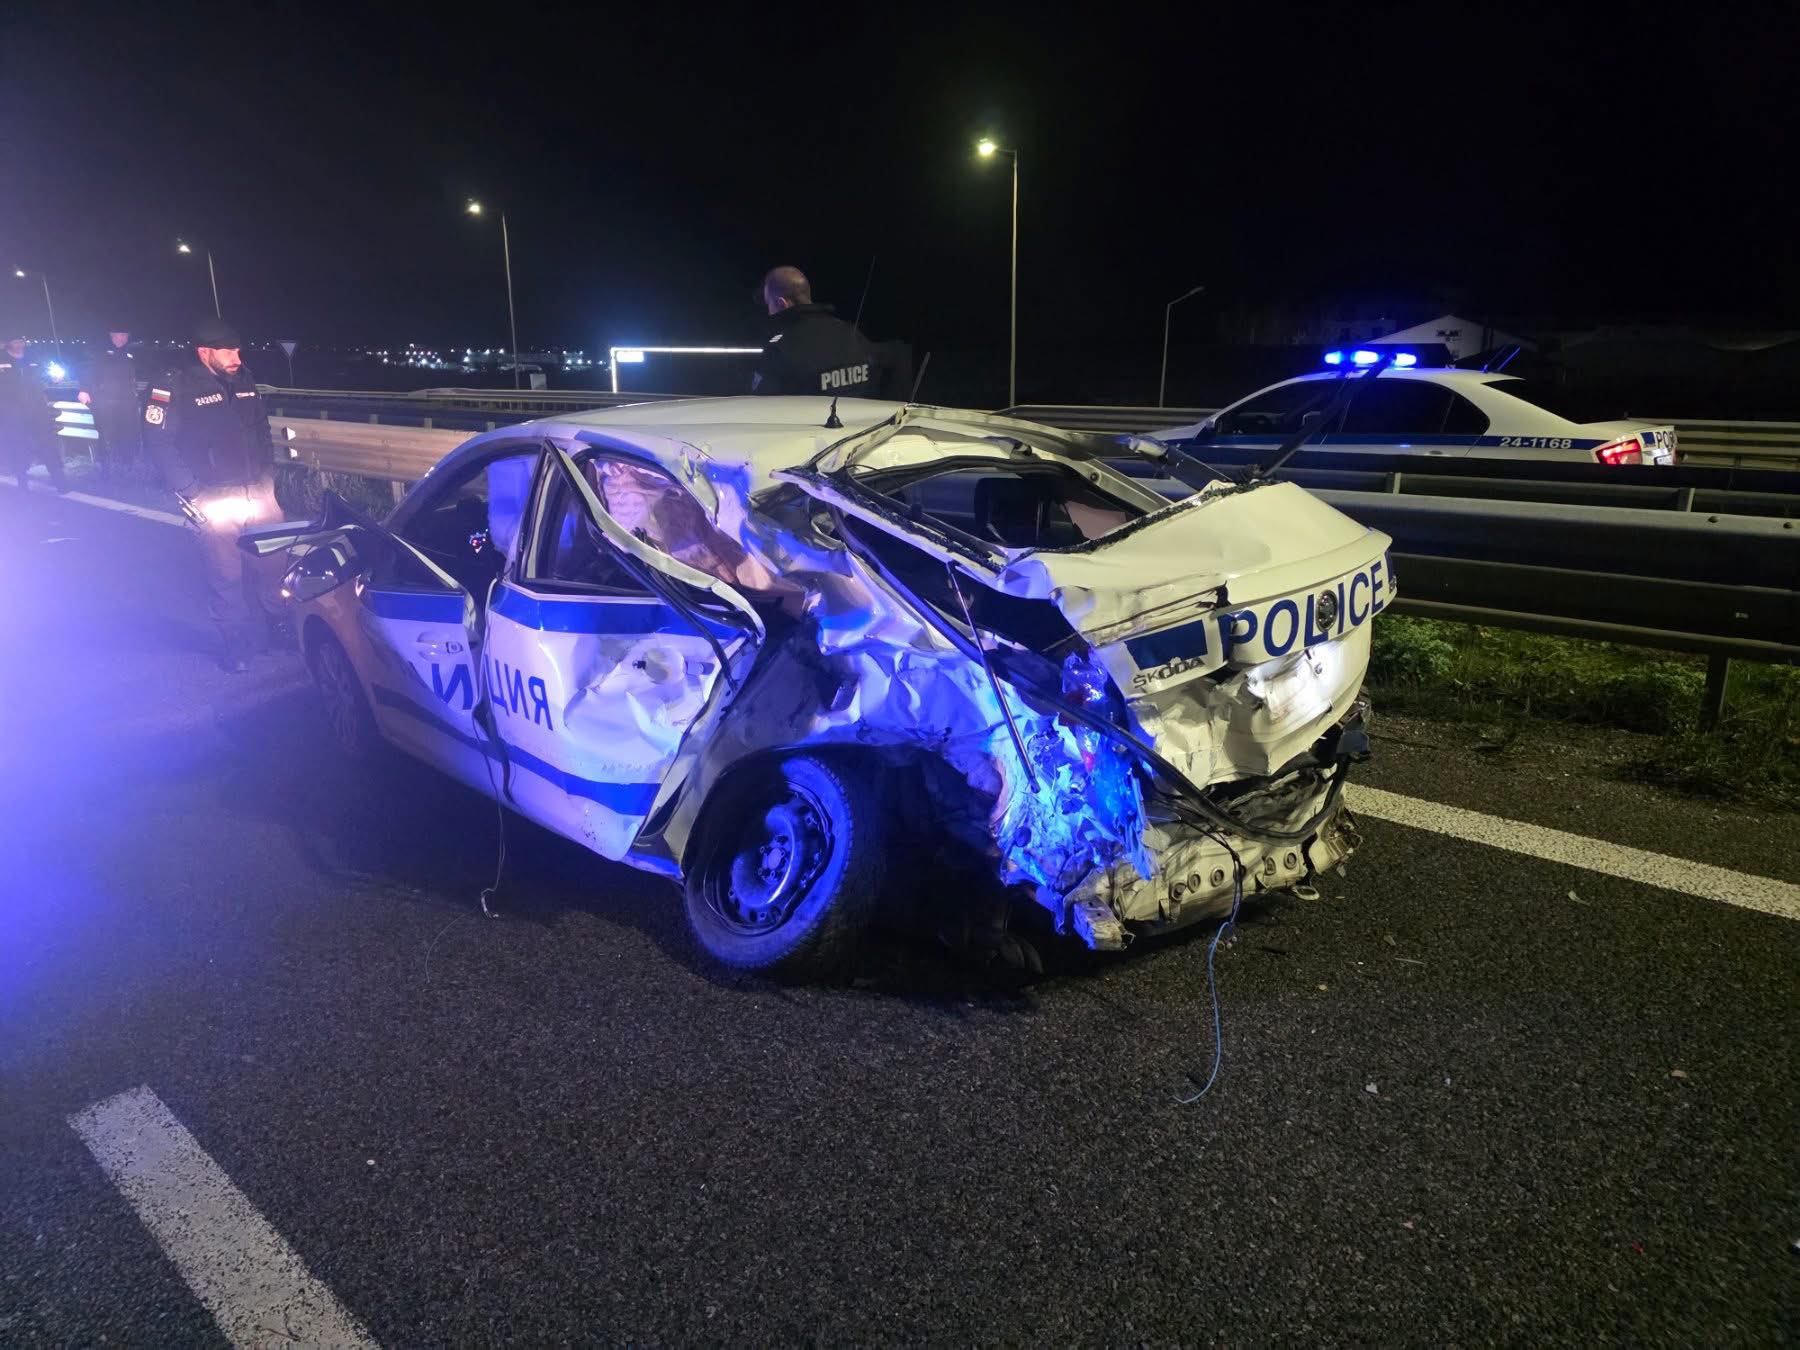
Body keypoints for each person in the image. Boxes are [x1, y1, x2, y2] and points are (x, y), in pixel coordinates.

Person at [144, 317, 281, 672]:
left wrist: (268, 476)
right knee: (226, 575)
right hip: (213, 496)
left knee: (272, 564)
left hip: (258, 491)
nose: (237, 357)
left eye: (238, 350)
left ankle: (277, 626)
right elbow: (158, 442)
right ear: (205, 352)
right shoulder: (174, 384)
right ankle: (236, 641)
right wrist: (191, 492)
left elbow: (262, 429)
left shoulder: (244, 379)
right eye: (228, 351)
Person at [750, 266, 887, 399]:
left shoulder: (779, 349)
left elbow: (763, 405)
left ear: (781, 304)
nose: (769, 312)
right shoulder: (853, 333)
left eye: (769, 304)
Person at [0, 334, 68, 493]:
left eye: (21, 340)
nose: (19, 344)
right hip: (13, 411)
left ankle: (60, 481)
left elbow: (46, 374)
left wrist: (55, 377)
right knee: (17, 445)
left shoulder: (34, 357)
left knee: (47, 444)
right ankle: (22, 482)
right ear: (8, 343)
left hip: (37, 409)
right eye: (15, 341)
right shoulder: (1, 358)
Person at [88, 327, 142, 467]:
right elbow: (89, 372)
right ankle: (107, 464)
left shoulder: (130, 354)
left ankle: (127, 463)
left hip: (127, 404)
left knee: (128, 434)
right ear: (112, 335)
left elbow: (137, 375)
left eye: (126, 335)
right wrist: (84, 390)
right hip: (107, 404)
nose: (123, 338)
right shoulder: (100, 354)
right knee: (108, 436)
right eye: (120, 334)